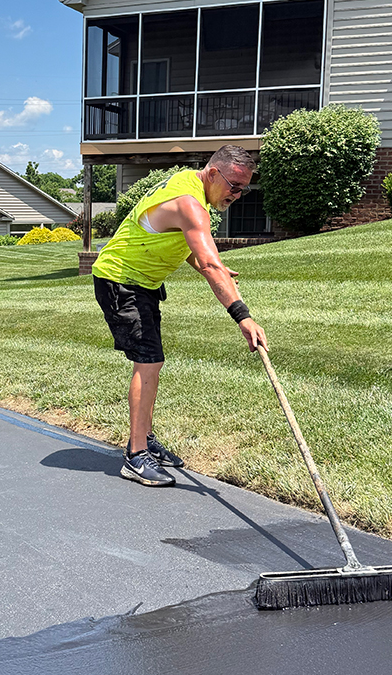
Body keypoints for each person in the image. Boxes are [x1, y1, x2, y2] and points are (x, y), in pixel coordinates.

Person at [92, 145, 269, 488]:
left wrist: (211, 268)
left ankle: (143, 437)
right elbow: (207, 261)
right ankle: (135, 455)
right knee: (149, 362)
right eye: (234, 185)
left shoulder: (188, 185)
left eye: (243, 188)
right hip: (121, 280)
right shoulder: (190, 203)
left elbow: (182, 244)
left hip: (141, 281)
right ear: (214, 173)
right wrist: (243, 317)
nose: (237, 194)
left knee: (152, 361)